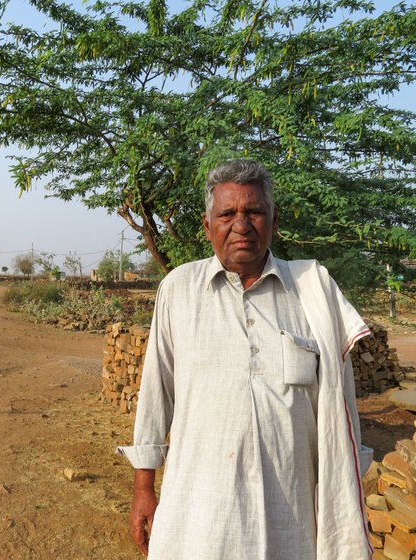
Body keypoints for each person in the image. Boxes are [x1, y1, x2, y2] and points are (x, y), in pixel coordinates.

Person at [116, 159, 374, 559]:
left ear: (273, 221)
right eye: (227, 213)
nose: (241, 224)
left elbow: (343, 412)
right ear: (207, 225)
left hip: (292, 509)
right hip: (201, 510)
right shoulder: (178, 290)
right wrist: (143, 489)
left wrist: (347, 497)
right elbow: (156, 394)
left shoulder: (312, 291)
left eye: (254, 212)